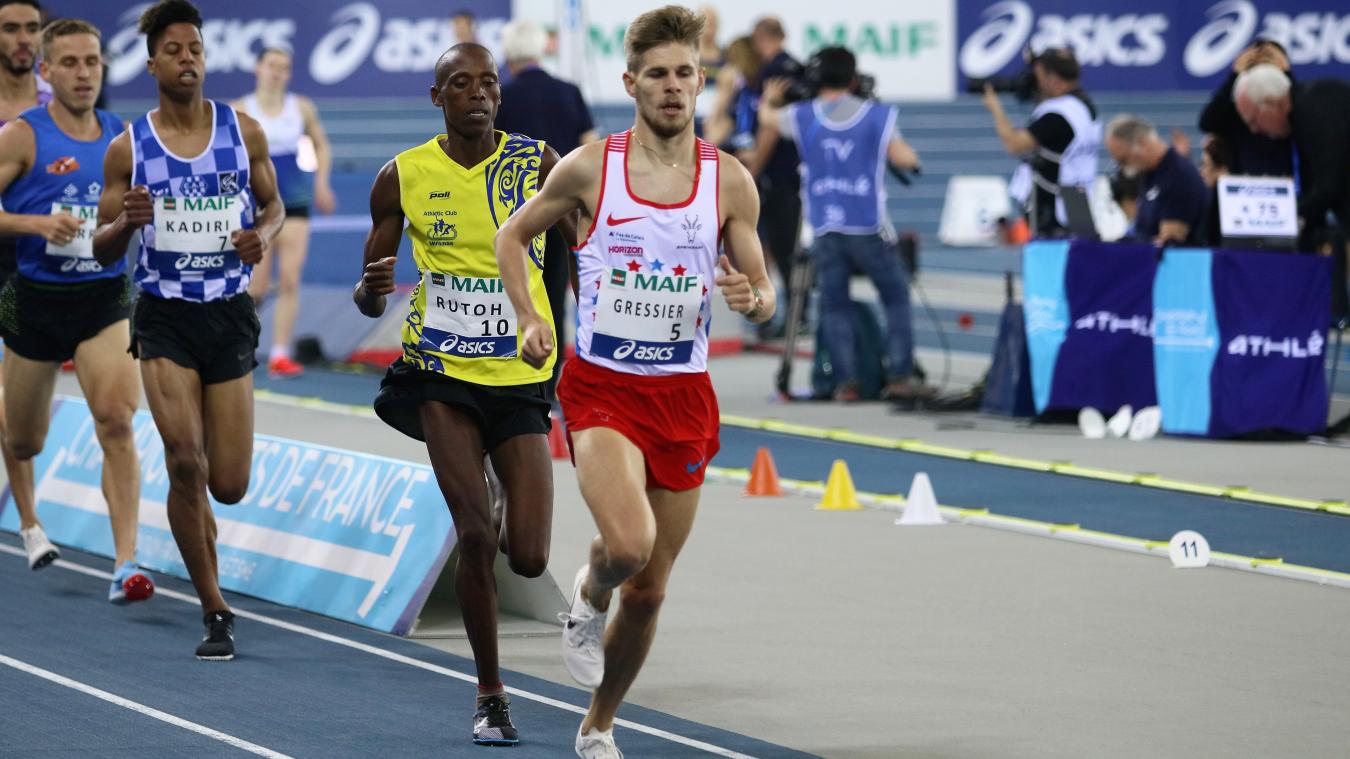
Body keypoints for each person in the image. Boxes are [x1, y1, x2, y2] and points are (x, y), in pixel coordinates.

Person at [494, 7, 776, 756]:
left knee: (650, 590)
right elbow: (512, 235)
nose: (674, 86)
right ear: (631, 83)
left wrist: (756, 296)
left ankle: (600, 721)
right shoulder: (591, 168)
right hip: (604, 387)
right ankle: (588, 591)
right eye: (658, 74)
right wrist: (530, 318)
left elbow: (762, 281)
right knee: (628, 545)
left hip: (683, 395)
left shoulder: (729, 180)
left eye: (686, 72)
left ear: (700, 80)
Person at [354, 42, 569, 746]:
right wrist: (370, 290)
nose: (477, 95)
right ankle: (491, 693)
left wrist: (554, 335)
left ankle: (503, 493)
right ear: (436, 95)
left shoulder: (537, 165)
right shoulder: (403, 176)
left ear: (499, 96)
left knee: (529, 556)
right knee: (475, 535)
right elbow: (368, 286)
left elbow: (577, 252)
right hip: (439, 373)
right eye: (460, 84)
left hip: (519, 376)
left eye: (488, 84)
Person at [93, 0, 283, 661]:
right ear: (152, 64)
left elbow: (275, 205)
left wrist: (262, 235)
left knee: (228, 482)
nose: (187, 59)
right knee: (184, 462)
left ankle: (202, 541)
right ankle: (214, 605)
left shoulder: (243, 130)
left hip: (227, 313)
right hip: (164, 314)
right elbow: (101, 247)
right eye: (173, 50)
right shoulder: (129, 146)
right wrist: (126, 224)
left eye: (195, 48)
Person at [0, 18, 152, 603]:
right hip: (33, 298)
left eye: (92, 62)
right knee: (23, 442)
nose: (84, 73)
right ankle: (26, 502)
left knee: (116, 419)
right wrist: (35, 223)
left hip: (103, 296)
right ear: (46, 72)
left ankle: (126, 563)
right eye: (69, 63)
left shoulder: (124, 136)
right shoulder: (22, 134)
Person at [754, 46, 927, 401]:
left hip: (824, 228)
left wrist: (770, 100)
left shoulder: (802, 115)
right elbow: (906, 159)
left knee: (835, 307)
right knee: (895, 299)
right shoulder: (875, 116)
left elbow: (768, 119)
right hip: (868, 227)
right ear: (852, 78)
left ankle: (847, 383)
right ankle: (899, 375)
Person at [496, 19, 596, 398]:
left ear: (508, 54)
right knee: (558, 292)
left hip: (515, 213)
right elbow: (589, 147)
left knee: (516, 290)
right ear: (542, 48)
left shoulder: (502, 96)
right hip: (565, 211)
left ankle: (516, 373)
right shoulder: (569, 92)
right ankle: (552, 385)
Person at [232, 46, 336, 379]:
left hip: (294, 202)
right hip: (256, 205)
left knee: (290, 278)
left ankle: (280, 353)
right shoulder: (240, 110)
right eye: (272, 65)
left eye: (284, 67)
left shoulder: (301, 108)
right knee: (257, 287)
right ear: (258, 69)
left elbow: (321, 144)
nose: (277, 72)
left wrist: (321, 182)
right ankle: (238, 346)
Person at [0, 0, 50, 568]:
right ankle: (30, 520)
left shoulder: (58, 94)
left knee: (16, 404)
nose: (23, 39)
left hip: (40, 263)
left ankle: (29, 519)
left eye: (31, 28)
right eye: (11, 28)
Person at [982, 47, 1101, 236]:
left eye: (1037, 76)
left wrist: (995, 108)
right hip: (1077, 202)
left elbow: (1014, 145)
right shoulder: (1085, 106)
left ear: (1053, 78)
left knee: (1052, 260)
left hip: (1053, 208)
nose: (1033, 83)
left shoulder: (1058, 113)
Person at [1234, 63, 1350, 251]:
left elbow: (1330, 185)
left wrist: (1284, 215)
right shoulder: (1303, 114)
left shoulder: (1317, 109)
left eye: (1254, 120)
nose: (1255, 130)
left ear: (1272, 103)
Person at [747, 16, 802, 333]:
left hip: (776, 173)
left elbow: (770, 127)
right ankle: (795, 314)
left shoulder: (773, 72)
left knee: (778, 248)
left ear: (760, 37)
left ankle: (789, 317)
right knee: (785, 248)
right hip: (790, 170)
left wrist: (753, 168)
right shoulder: (797, 67)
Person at [1105, 115, 1208, 247]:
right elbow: (1143, 229)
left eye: (1124, 160)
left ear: (1142, 143)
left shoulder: (1178, 176)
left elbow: (1169, 241)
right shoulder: (1149, 174)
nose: (1122, 168)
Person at [1198, 38, 1293, 177]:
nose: (1262, 73)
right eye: (1256, 65)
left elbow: (1304, 118)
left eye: (1268, 65)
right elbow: (1207, 122)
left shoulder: (1290, 106)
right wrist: (1234, 75)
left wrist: (1287, 75)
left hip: (1290, 184)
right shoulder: (1238, 108)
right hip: (1243, 188)